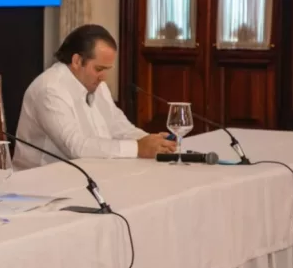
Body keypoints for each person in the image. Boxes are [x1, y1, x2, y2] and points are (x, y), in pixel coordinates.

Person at [12, 24, 176, 170]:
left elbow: (119, 126)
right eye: (99, 69)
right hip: (42, 184)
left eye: (107, 69)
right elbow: (75, 147)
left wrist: (151, 141)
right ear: (77, 61)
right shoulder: (49, 90)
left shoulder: (98, 85)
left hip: (88, 174)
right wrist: (138, 148)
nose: (103, 77)